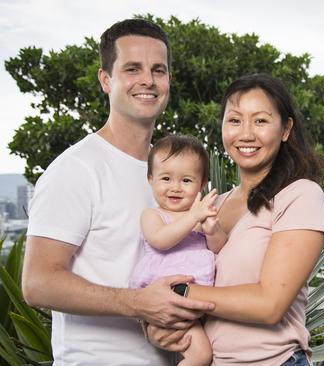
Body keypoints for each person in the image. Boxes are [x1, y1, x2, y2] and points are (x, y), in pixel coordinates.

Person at [22, 19, 214, 365]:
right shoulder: (76, 169)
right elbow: (37, 283)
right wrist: (139, 305)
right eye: (132, 68)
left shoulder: (171, 174)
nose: (148, 81)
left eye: (159, 70)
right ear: (105, 80)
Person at [148, 74, 324, 365]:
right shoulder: (211, 206)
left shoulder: (300, 196)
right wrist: (160, 328)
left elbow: (269, 305)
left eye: (260, 121)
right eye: (234, 120)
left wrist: (176, 294)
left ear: (286, 129)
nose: (246, 134)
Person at [129, 134, 227, 366]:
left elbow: (219, 248)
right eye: (166, 178)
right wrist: (193, 217)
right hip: (167, 300)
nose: (175, 188)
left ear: (202, 184)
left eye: (186, 181)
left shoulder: (200, 216)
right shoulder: (153, 215)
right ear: (150, 179)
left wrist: (212, 230)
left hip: (194, 301)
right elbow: (161, 240)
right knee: (201, 356)